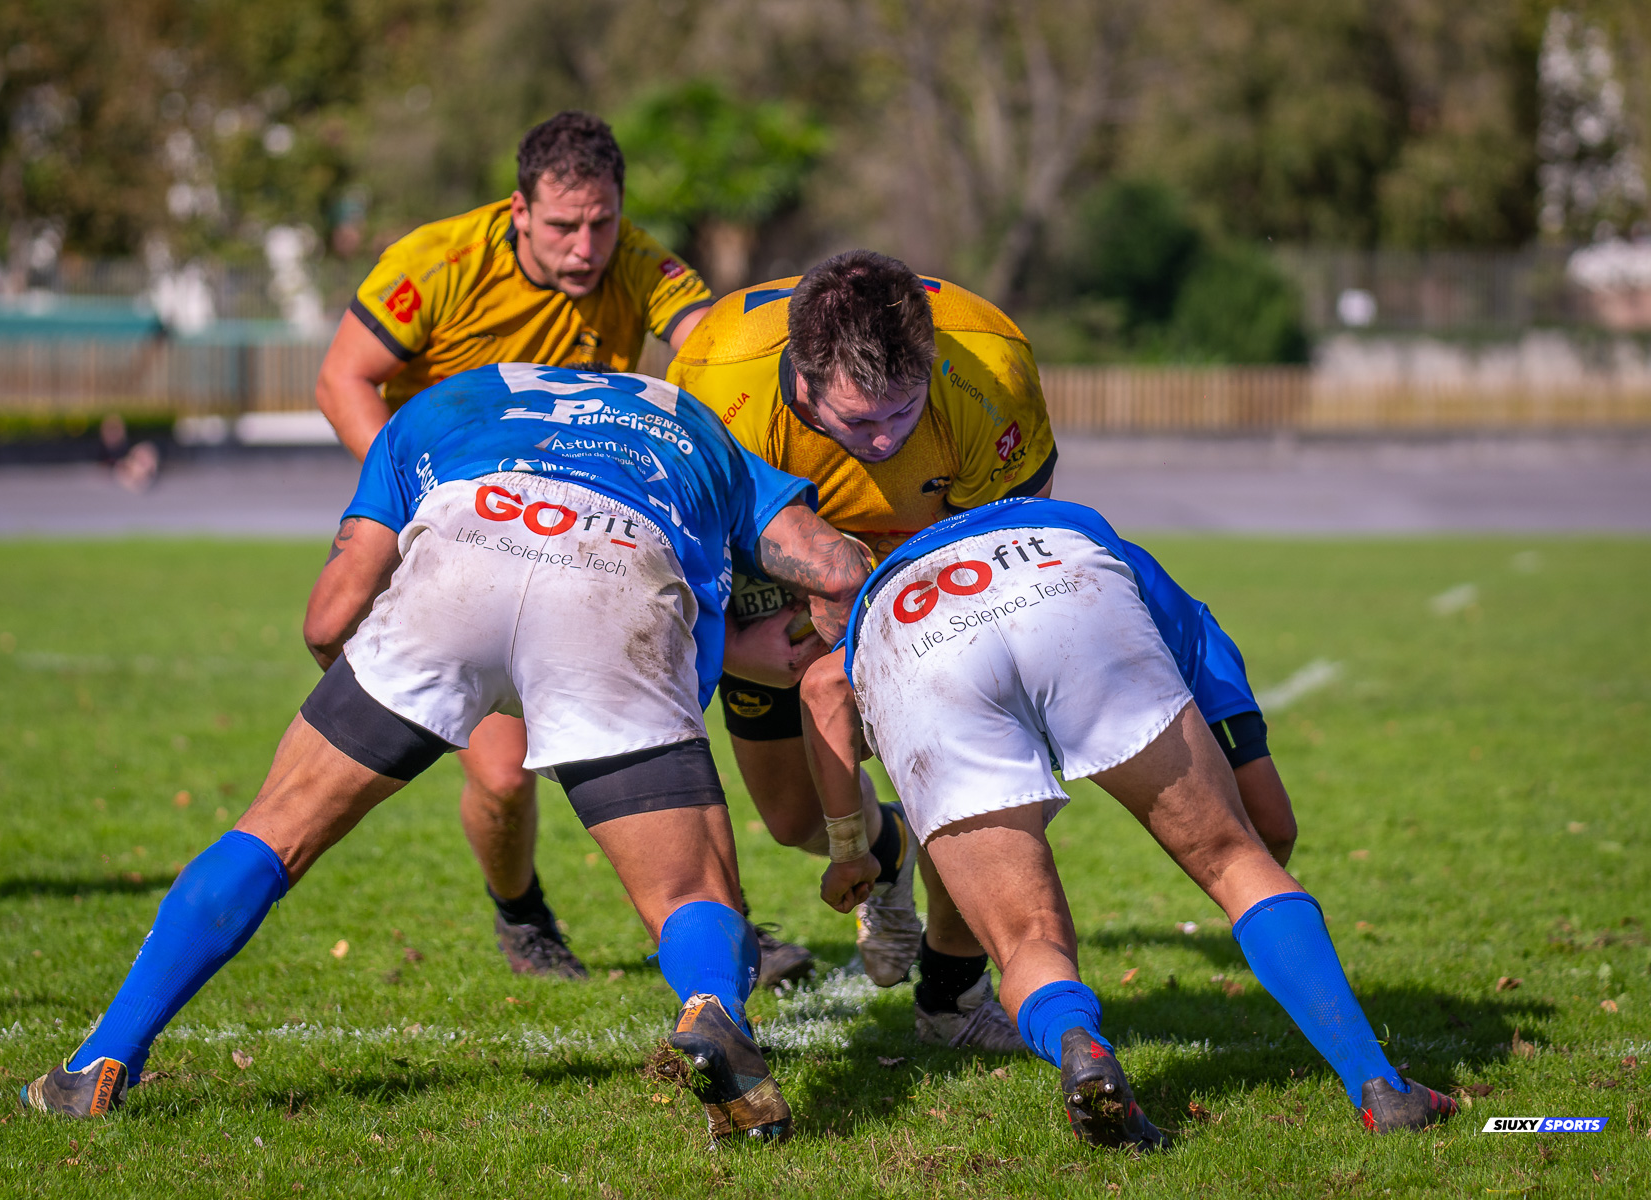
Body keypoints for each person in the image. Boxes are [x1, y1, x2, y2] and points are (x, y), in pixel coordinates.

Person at [20, 365, 869, 1142]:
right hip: (616, 576)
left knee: (274, 830)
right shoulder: (689, 420)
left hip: (468, 547)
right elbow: (834, 567)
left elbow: (326, 619)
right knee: (691, 891)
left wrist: (386, 699)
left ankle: (100, 1061)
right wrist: (816, 657)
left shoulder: (445, 404)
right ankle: (716, 1013)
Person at [667, 252, 1298, 1047]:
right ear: (801, 381)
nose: (888, 439)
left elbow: (1005, 558)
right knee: (794, 817)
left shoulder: (988, 367)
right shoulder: (714, 384)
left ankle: (952, 991)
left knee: (959, 778)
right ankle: (884, 854)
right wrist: (735, 648)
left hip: (937, 564)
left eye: (904, 411)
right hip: (774, 574)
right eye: (860, 421)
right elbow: (675, 560)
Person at [801, 496, 1457, 1147]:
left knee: (1026, 938)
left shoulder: (867, 608)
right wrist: (1253, 839)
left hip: (911, 635)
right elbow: (1210, 659)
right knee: (1235, 861)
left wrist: (851, 850)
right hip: (1063, 582)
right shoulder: (1078, 528)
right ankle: (1381, 1088)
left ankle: (1077, 1043)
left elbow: (820, 689)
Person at [312, 111, 730, 981]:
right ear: (518, 211)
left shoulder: (643, 264)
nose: (586, 247)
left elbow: (717, 350)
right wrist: (418, 497)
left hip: (586, 542)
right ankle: (522, 915)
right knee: (503, 778)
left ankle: (717, 927)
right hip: (468, 539)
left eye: (602, 223)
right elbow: (342, 375)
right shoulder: (440, 262)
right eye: (563, 226)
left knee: (665, 731)